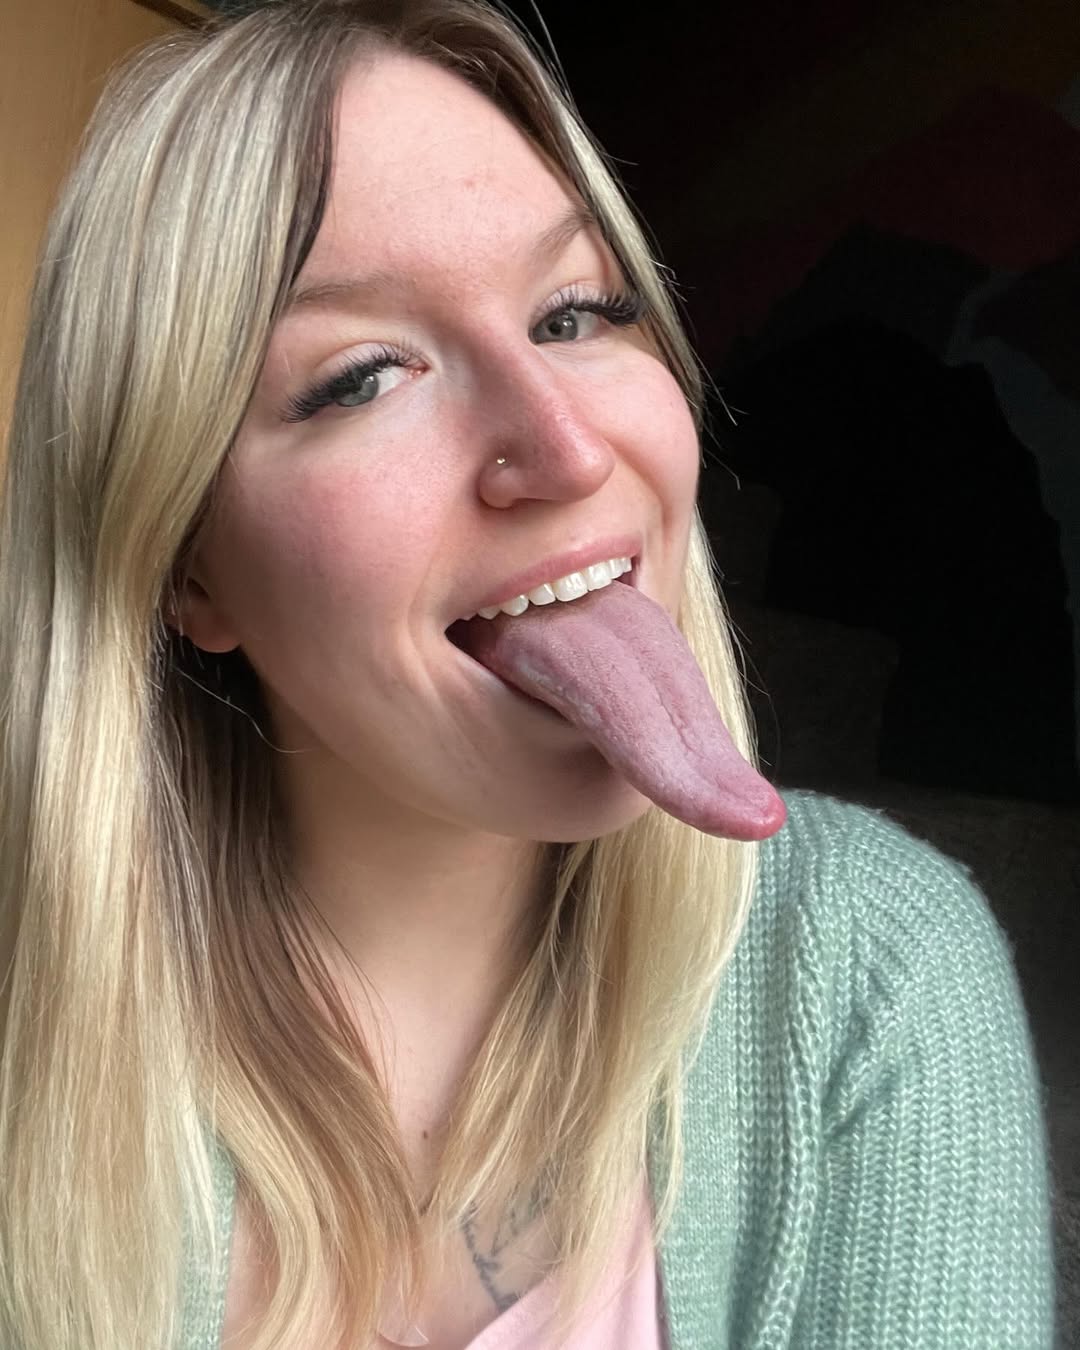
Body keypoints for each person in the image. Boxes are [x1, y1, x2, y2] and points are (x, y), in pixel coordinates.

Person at [0, 2, 1055, 1347]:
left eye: (575, 311)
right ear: (185, 565)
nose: (565, 449)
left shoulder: (869, 972)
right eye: (363, 376)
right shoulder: (36, 1049)